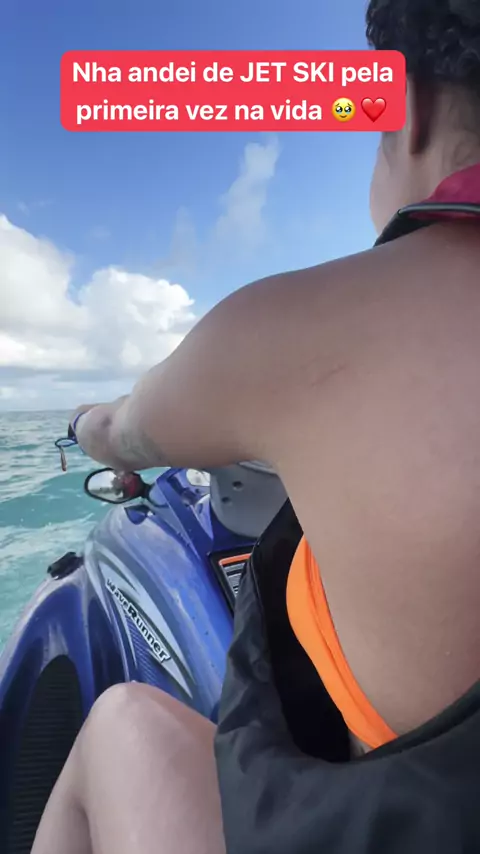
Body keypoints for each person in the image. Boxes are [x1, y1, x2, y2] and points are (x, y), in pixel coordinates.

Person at [33, 1, 480, 852]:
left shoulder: (306, 326)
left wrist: (85, 420)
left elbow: (126, 432)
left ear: (407, 109)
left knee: (119, 724)